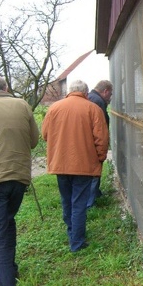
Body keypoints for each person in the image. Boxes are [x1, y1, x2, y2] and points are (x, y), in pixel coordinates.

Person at [41, 80, 109, 252]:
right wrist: (100, 158)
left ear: (69, 92)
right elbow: (101, 139)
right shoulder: (93, 109)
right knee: (79, 203)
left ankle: (72, 232)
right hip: (84, 165)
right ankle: (77, 242)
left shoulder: (54, 108)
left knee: (66, 200)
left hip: (60, 164)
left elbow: (45, 135)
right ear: (85, 93)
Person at [0, 75, 39, 286]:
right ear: (5, 88)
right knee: (6, 224)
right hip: (18, 178)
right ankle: (10, 270)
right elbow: (33, 141)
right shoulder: (22, 105)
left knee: (0, 232)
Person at [86, 80, 113, 209]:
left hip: (90, 142)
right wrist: (102, 147)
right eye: (110, 94)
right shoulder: (97, 102)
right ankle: (90, 203)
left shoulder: (91, 98)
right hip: (94, 143)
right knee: (94, 172)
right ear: (105, 91)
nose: (110, 98)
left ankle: (95, 194)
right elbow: (99, 127)